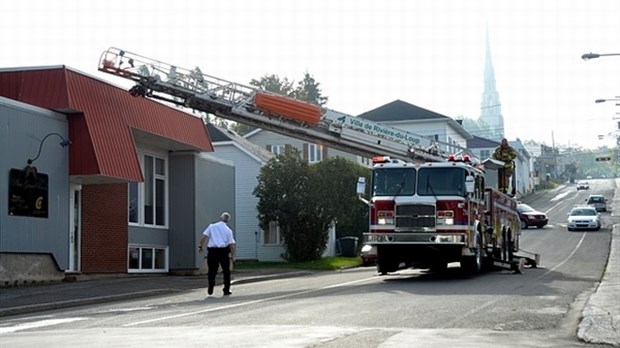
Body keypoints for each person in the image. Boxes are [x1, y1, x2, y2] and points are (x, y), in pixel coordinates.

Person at [198, 212, 237, 296]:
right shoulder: (228, 230)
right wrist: (233, 256)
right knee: (226, 271)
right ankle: (226, 289)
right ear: (228, 220)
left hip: (212, 251)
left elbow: (204, 237)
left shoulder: (212, 226)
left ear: (220, 218)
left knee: (212, 270)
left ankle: (211, 284)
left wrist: (200, 246)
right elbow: (231, 245)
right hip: (223, 252)